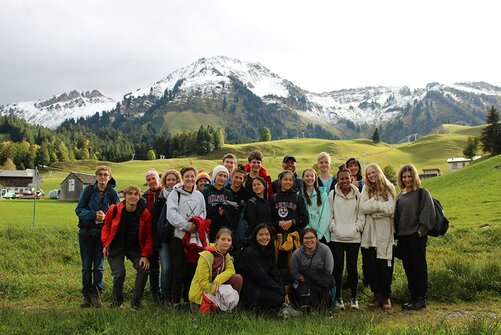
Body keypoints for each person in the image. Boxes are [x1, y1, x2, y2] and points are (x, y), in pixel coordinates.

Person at [101, 185, 153, 309]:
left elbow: (149, 236)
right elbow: (106, 227)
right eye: (130, 193)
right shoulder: (114, 209)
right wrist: (106, 244)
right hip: (116, 246)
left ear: (139, 197)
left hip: (134, 248)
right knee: (119, 274)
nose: (133, 196)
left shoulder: (145, 214)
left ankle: (136, 303)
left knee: (144, 268)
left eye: (136, 194)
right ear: (124, 196)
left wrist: (145, 255)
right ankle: (117, 302)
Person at [75, 165, 119, 308]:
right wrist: (93, 215)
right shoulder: (87, 191)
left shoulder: (112, 193)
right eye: (100, 174)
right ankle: (86, 296)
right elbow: (79, 209)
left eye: (106, 174)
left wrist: (106, 217)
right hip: (86, 233)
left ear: (110, 177)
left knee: (99, 266)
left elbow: (118, 213)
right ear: (96, 177)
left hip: (103, 234)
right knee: (86, 266)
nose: (102, 177)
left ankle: (97, 295)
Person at [395, 164, 435, 311]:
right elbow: (397, 218)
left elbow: (428, 211)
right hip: (403, 237)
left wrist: (421, 230)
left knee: (419, 267)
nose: (407, 179)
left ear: (414, 176)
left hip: (416, 236)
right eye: (404, 177)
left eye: (410, 176)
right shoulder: (399, 196)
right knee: (408, 268)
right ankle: (413, 297)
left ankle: (421, 298)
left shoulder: (422, 193)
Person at [167, 166, 207, 305]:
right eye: (187, 176)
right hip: (179, 237)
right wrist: (186, 226)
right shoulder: (175, 194)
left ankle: (187, 299)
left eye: (192, 176)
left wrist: (197, 225)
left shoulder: (199, 195)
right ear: (182, 178)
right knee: (179, 269)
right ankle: (175, 301)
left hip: (195, 239)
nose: (189, 179)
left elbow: (203, 213)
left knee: (192, 269)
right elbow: (171, 214)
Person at [359, 163, 396, 310]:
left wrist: (373, 206)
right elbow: (362, 207)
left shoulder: (389, 188)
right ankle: (377, 295)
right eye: (369, 174)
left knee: (385, 265)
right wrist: (380, 205)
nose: (371, 175)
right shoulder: (365, 189)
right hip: (369, 234)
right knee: (371, 266)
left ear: (378, 172)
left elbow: (391, 209)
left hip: (385, 231)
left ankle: (387, 297)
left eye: (373, 172)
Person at [237, 224, 294, 315]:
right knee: (278, 298)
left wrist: (283, 291)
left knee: (285, 274)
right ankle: (259, 309)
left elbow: (274, 272)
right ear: (255, 236)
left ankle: (284, 304)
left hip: (265, 284)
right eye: (260, 235)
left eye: (267, 234)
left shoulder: (269, 249)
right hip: (253, 289)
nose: (264, 237)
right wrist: (280, 291)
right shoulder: (250, 253)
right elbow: (260, 278)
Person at [328, 166, 365, 310]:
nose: (344, 181)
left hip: (354, 238)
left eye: (347, 178)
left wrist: (356, 228)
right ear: (338, 179)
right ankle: (338, 298)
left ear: (352, 179)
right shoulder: (332, 194)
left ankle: (354, 299)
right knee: (338, 268)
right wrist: (334, 228)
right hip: (336, 238)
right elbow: (329, 215)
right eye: (341, 178)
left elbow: (361, 215)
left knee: (352, 268)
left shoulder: (357, 194)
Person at [189, 228, 243, 311]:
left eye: (229, 240)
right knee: (205, 318)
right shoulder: (206, 255)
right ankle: (220, 306)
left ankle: (230, 308)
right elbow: (203, 283)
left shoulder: (226, 255)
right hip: (202, 293)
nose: (226, 242)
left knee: (237, 278)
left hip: (216, 286)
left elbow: (231, 270)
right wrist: (218, 293)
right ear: (217, 241)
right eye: (223, 239)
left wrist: (217, 281)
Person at [271, 170, 309, 270]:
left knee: (295, 267)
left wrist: (292, 222)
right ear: (280, 181)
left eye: (290, 180)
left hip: (294, 239)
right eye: (285, 179)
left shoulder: (298, 198)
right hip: (278, 239)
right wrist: (278, 223)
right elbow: (270, 218)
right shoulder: (274, 198)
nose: (288, 182)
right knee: (280, 267)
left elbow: (305, 219)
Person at [290, 228, 334, 311]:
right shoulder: (297, 253)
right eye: (306, 238)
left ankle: (327, 308)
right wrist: (301, 277)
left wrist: (312, 277)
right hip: (303, 280)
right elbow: (293, 273)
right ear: (302, 240)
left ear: (316, 239)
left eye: (312, 238)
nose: (309, 240)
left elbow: (328, 271)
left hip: (322, 279)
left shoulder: (325, 250)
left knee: (330, 284)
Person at [142, 169, 165, 304]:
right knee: (154, 267)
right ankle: (155, 295)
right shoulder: (144, 198)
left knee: (166, 266)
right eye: (149, 179)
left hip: (164, 234)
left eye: (153, 178)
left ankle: (165, 293)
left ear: (158, 179)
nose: (151, 181)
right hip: (150, 235)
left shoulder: (165, 193)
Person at [158, 169, 181, 303]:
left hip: (177, 237)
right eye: (169, 180)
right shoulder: (161, 198)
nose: (171, 182)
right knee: (166, 268)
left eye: (174, 180)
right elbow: (157, 220)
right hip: (164, 238)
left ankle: (173, 296)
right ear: (165, 182)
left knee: (176, 267)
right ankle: (164, 296)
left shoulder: (181, 196)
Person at [201, 165, 235, 242]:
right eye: (220, 175)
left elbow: (232, 213)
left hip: (224, 229)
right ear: (215, 176)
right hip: (209, 227)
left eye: (225, 176)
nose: (222, 178)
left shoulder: (228, 193)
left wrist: (225, 212)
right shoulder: (205, 191)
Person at [301, 168, 330, 244]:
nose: (309, 178)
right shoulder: (299, 195)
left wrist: (318, 234)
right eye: (307, 176)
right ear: (303, 178)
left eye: (312, 176)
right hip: (306, 236)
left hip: (322, 235)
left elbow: (326, 215)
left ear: (315, 178)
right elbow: (301, 216)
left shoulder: (323, 193)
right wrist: (309, 233)